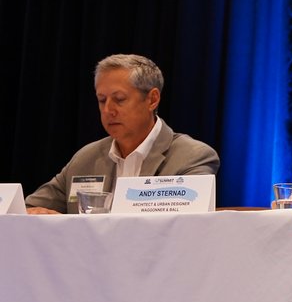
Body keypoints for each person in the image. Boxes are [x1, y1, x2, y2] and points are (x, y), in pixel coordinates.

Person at [26, 54, 220, 214]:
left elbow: (186, 229)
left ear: (152, 99)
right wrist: (44, 217)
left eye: (119, 99)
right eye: (102, 100)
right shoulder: (86, 158)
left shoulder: (192, 157)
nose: (108, 110)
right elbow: (28, 209)